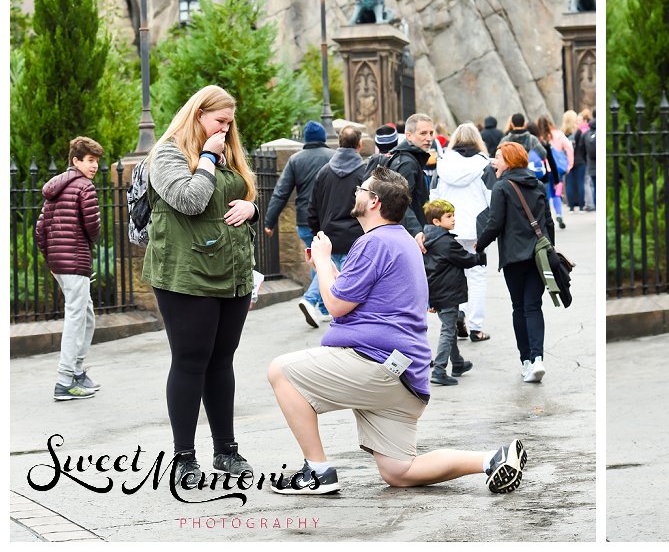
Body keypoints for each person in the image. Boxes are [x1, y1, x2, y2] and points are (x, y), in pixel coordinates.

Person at [267, 167, 526, 495]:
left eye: (361, 189)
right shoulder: (399, 240)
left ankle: (317, 471)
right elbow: (353, 292)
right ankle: (492, 459)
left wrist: (322, 258)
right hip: (405, 376)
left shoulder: (373, 243)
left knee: (281, 372)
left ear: (373, 201)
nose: (356, 193)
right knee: (399, 471)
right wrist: (326, 267)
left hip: (377, 365)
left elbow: (334, 305)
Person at [144, 85, 261, 484]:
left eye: (230, 123)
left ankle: (225, 451)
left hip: (232, 273)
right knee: (191, 359)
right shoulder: (167, 154)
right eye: (220, 121)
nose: (227, 130)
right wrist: (209, 155)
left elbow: (243, 193)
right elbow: (191, 200)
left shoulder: (227, 149)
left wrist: (253, 207)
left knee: (222, 360)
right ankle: (183, 458)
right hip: (185, 274)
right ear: (197, 115)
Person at [475, 141, 555, 384]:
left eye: (498, 157)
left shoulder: (502, 187)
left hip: (514, 257)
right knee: (534, 306)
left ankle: (526, 361)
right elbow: (548, 222)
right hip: (539, 256)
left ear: (509, 161)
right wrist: (550, 250)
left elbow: (495, 223)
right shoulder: (538, 185)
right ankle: (538, 358)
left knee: (519, 307)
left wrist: (480, 244)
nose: (494, 162)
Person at [38, 136, 104, 401]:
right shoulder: (84, 186)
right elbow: (93, 227)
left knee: (86, 315)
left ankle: (76, 371)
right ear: (76, 161)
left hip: (60, 262)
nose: (95, 166)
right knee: (77, 319)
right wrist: (92, 239)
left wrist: (51, 261)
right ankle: (65, 380)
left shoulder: (55, 187)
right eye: (90, 160)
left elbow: (40, 228)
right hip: (75, 260)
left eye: (97, 161)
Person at [264, 121, 334, 326]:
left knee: (317, 261)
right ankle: (317, 303)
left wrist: (270, 220)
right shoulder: (332, 157)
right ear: (323, 137)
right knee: (329, 261)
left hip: (305, 220)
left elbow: (281, 192)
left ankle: (320, 306)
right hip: (329, 219)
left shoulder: (295, 160)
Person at [433, 123, 495, 342]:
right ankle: (476, 326)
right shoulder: (485, 165)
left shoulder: (442, 164)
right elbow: (491, 197)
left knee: (454, 275)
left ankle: (458, 313)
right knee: (477, 276)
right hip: (476, 227)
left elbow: (434, 196)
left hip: (449, 226)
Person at [306, 125, 371, 328]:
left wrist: (317, 231)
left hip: (329, 232)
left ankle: (312, 301)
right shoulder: (364, 172)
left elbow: (313, 206)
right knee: (346, 275)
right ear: (359, 144)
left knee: (328, 268)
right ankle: (313, 300)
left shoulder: (324, 172)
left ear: (339, 143)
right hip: (355, 234)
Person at [421, 199, 481, 386]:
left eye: (453, 215)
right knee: (448, 331)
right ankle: (439, 370)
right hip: (449, 293)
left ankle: (458, 363)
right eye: (449, 216)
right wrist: (480, 256)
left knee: (451, 327)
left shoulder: (428, 240)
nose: (453, 219)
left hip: (437, 293)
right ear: (436, 222)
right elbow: (466, 260)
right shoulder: (446, 242)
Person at [537, 113, 572, 230]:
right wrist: (570, 164)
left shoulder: (538, 138)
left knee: (546, 194)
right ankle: (559, 214)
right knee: (557, 192)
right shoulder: (558, 134)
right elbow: (569, 147)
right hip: (558, 169)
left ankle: (547, 217)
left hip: (544, 170)